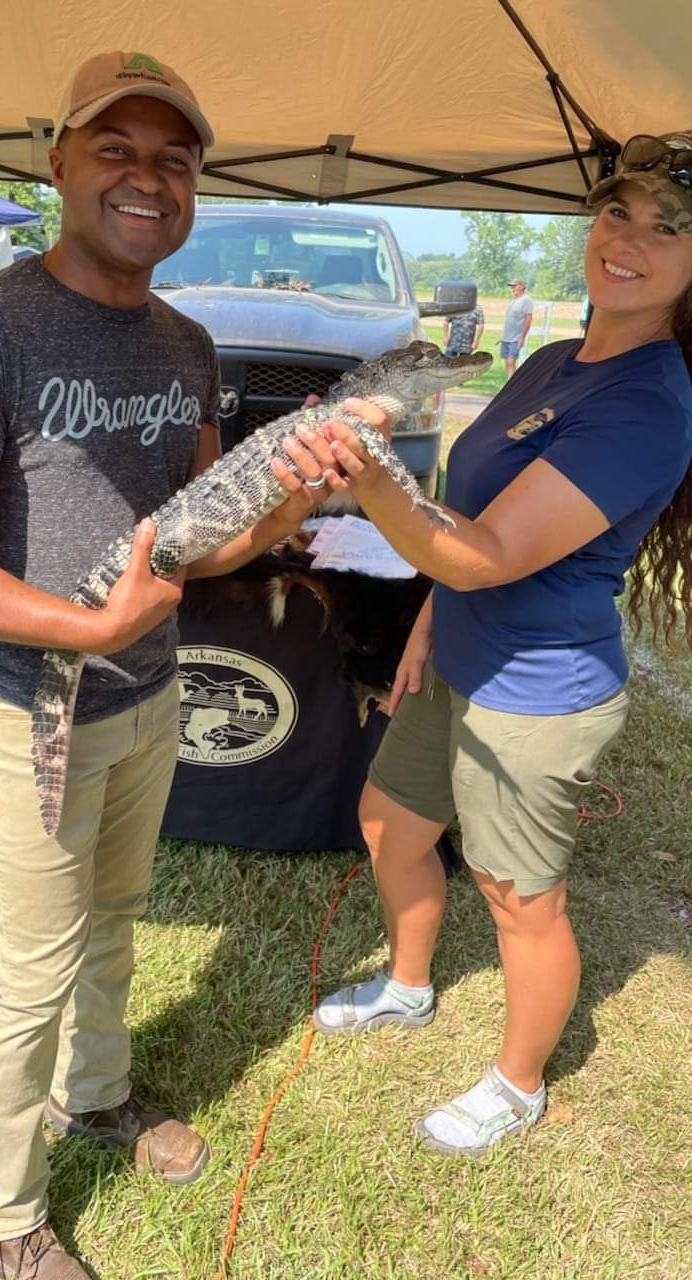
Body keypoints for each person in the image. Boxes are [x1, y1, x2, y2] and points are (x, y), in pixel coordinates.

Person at [0, 50, 334, 1279]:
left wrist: (287, 508)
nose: (148, 177)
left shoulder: (185, 341)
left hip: (147, 694)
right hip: (33, 702)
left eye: (174, 159)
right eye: (117, 150)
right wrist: (78, 628)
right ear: (61, 162)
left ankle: (96, 1093)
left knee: (116, 919)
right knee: (34, 962)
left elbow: (197, 527)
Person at [303, 129, 692, 1158]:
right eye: (619, 211)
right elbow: (474, 521)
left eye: (668, 228)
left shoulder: (648, 402)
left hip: (538, 689)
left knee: (520, 897)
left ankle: (519, 1084)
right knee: (389, 820)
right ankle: (407, 983)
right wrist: (428, 623)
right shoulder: (556, 358)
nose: (628, 239)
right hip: (458, 654)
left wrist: (368, 469)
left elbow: (484, 552)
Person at [499, 278, 534, 378]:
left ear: (522, 286)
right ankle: (509, 384)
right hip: (506, 337)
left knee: (511, 361)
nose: (513, 288)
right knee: (507, 362)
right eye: (512, 286)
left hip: (516, 337)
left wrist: (522, 337)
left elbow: (528, 318)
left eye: (515, 286)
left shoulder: (526, 300)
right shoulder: (513, 300)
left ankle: (512, 386)